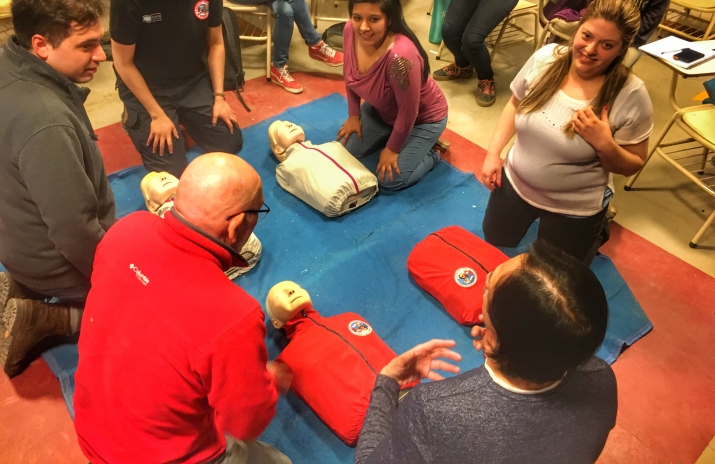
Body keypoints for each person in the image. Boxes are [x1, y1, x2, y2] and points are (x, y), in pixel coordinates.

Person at [74, 153, 291, 463]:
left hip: (91, 429)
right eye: (258, 212)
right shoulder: (233, 317)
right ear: (239, 225)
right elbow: (246, 423)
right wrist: (269, 381)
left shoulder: (126, 229)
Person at [355, 240, 616, 463]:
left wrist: (389, 381)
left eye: (488, 286)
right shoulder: (601, 376)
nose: (487, 276)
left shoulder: (433, 408)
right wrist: (501, 352)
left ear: (492, 339)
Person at [480, 0, 653, 264]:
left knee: (558, 273)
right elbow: (515, 103)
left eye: (607, 45)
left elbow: (634, 164)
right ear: (578, 27)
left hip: (573, 207)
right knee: (494, 239)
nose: (590, 49)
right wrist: (493, 153)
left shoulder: (631, 95)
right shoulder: (546, 58)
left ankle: (596, 229)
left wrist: (605, 143)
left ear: (621, 49)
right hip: (514, 183)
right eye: (586, 35)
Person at [0, 0, 116, 379]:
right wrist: (117, 276)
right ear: (41, 45)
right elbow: (74, 230)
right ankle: (53, 318)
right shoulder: (46, 120)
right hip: (52, 259)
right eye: (86, 46)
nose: (101, 55)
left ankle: (23, 284)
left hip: (14, 237)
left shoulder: (8, 63)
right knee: (150, 301)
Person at [111, 0, 243, 179]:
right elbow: (122, 62)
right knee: (169, 169)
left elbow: (215, 44)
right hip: (149, 86)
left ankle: (184, 114)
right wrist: (156, 114)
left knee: (229, 143)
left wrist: (219, 97)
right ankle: (135, 116)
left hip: (192, 81)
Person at [337, 0, 448, 191]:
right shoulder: (350, 30)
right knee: (346, 150)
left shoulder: (400, 58)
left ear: (389, 19)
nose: (364, 27)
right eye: (357, 17)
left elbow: (409, 111)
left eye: (374, 19)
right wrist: (353, 115)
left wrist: (393, 149)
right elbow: (349, 74)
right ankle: (395, 136)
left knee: (389, 180)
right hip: (382, 110)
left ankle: (432, 153)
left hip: (422, 119)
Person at [266, 281, 398, 446]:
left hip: (405, 390)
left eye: (295, 287)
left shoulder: (349, 318)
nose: (291, 291)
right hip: (369, 423)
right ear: (276, 323)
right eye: (281, 293)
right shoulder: (285, 363)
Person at [268, 120, 378, 216]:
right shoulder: (287, 168)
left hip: (365, 185)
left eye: (290, 123)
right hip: (351, 193)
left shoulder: (331, 146)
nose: (290, 125)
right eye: (283, 127)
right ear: (278, 148)